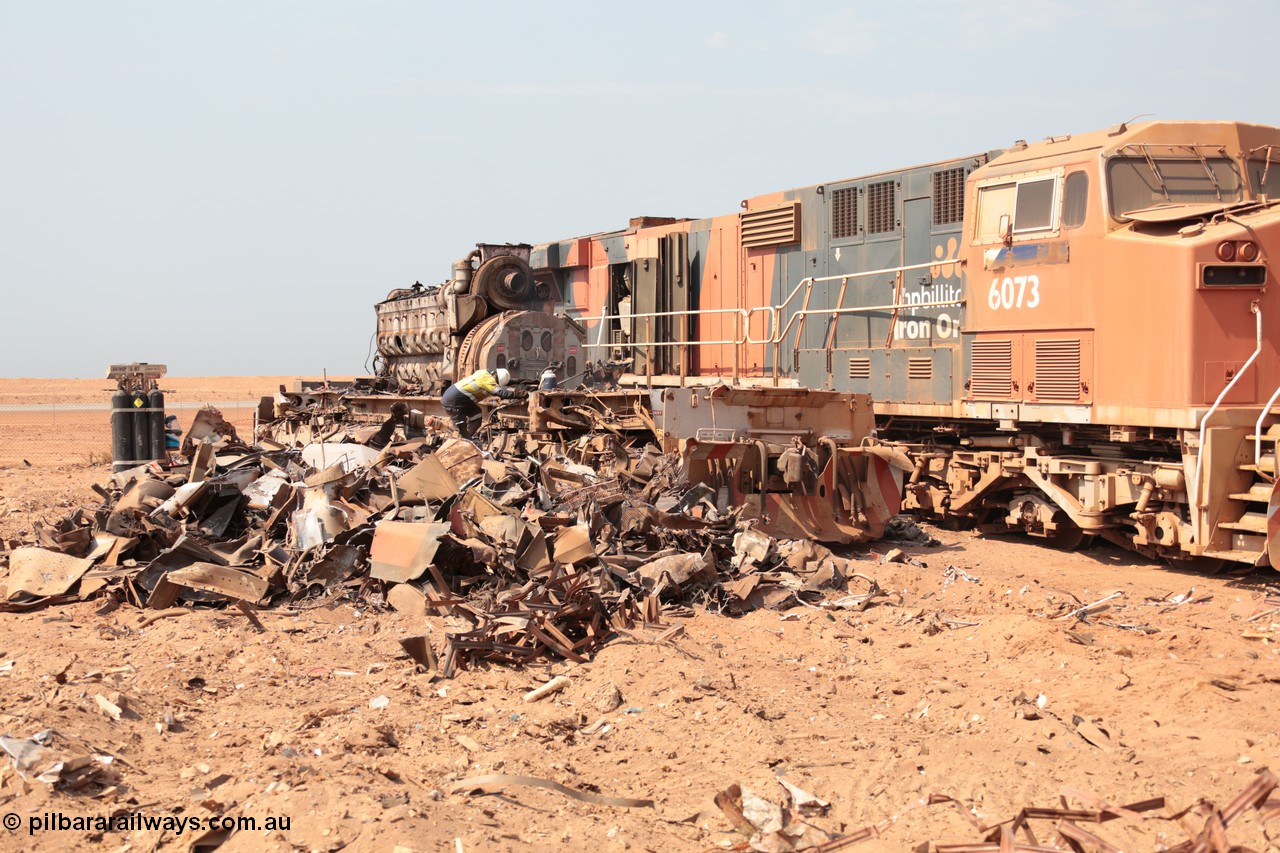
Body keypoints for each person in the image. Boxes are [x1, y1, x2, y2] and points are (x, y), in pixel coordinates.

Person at [441, 367, 524, 439]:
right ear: (495, 377)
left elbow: (506, 382)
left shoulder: (485, 374)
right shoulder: (488, 380)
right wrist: (523, 394)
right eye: (498, 383)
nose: (497, 385)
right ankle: (461, 444)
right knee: (461, 428)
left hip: (462, 401)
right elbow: (502, 394)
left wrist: (522, 381)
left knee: (477, 415)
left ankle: (468, 438)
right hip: (453, 402)